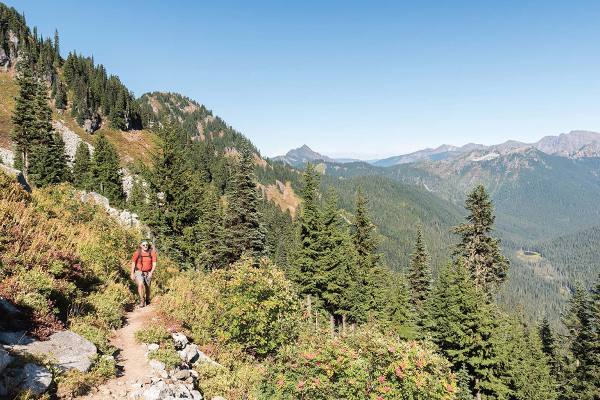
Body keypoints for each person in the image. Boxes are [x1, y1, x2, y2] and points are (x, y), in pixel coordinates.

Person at [130, 239, 157, 307]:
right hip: (139, 271)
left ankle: (147, 300)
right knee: (140, 284)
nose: (145, 246)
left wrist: (151, 273)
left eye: (146, 245)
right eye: (143, 245)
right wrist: (132, 273)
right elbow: (133, 262)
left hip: (148, 271)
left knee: (147, 287)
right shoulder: (137, 253)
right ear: (140, 246)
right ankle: (141, 300)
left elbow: (154, 264)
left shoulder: (152, 252)